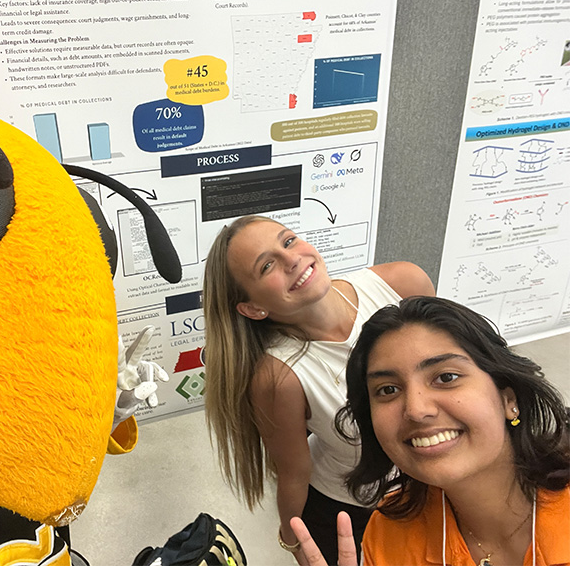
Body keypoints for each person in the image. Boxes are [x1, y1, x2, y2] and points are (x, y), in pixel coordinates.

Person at [201, 214, 434, 564]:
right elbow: (294, 471)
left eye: (288, 241)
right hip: (352, 515)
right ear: (253, 308)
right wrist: (293, 541)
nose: (292, 259)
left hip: (435, 490)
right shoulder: (278, 377)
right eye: (267, 266)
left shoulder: (403, 283)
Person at [289, 296, 570, 566]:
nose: (416, 409)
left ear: (509, 399)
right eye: (388, 390)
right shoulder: (390, 534)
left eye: (446, 377)